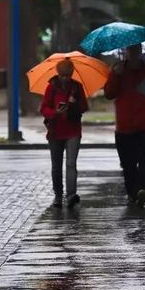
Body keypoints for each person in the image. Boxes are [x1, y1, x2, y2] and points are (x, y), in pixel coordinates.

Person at [104, 45, 145, 207]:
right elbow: (109, 93)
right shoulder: (119, 71)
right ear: (127, 52)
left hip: (144, 125)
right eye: (131, 51)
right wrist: (116, 75)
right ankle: (132, 193)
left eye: (137, 51)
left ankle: (143, 189)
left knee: (142, 159)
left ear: (140, 52)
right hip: (124, 126)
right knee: (127, 163)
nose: (134, 54)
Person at [40, 59, 89, 209]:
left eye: (67, 75)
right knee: (56, 165)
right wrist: (55, 112)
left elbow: (84, 107)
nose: (65, 78)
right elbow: (44, 108)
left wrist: (74, 104)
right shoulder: (51, 88)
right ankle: (58, 195)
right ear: (58, 74)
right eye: (62, 75)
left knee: (71, 163)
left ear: (72, 73)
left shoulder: (77, 87)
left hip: (73, 130)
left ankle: (71, 195)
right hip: (55, 131)